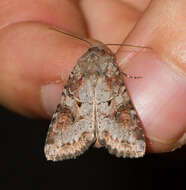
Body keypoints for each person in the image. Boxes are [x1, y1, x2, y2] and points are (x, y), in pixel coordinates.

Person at [0, 0, 185, 154]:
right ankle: (127, 142)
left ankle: (64, 144)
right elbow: (122, 74)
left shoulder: (81, 66)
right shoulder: (108, 64)